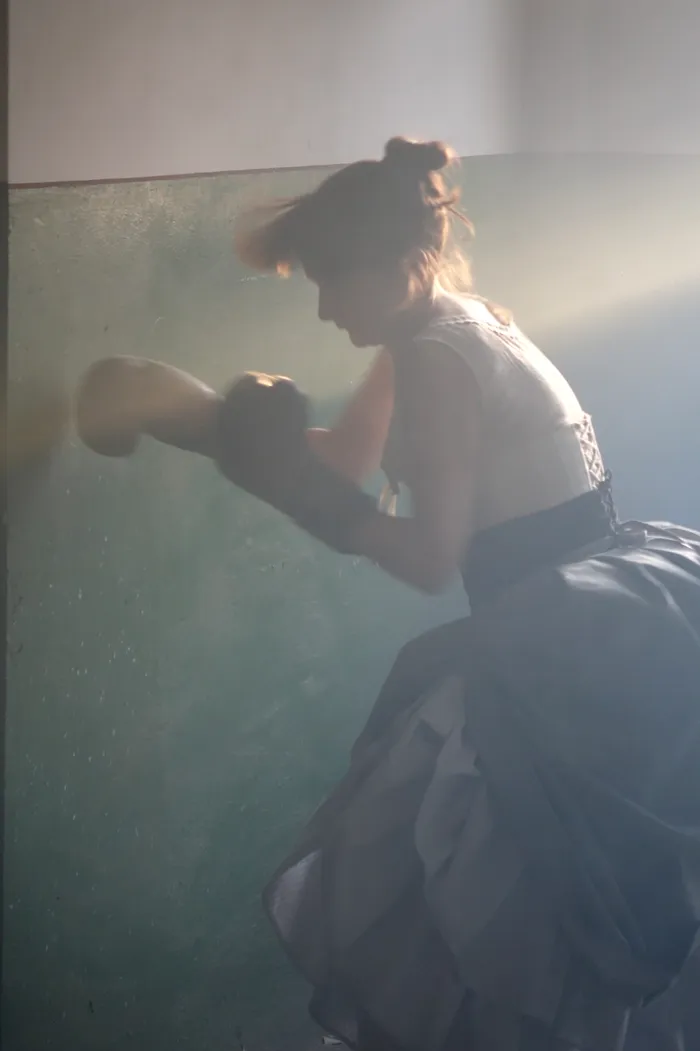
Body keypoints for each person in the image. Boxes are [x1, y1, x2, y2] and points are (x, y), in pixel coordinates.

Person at [75, 138, 700, 1051]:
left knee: (507, 910)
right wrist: (220, 427)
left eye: (335, 280)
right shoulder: (444, 324)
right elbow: (348, 459)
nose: (324, 307)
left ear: (404, 262)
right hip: (591, 613)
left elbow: (429, 557)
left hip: (559, 644)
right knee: (515, 907)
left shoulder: (439, 360)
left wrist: (305, 497)